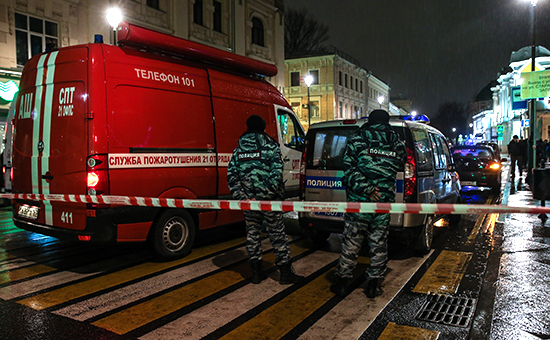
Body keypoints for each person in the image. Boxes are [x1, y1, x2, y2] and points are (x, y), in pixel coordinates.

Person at [330, 109, 406, 298]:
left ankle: (342, 282)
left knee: (352, 241)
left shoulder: (357, 139)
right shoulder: (396, 142)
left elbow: (348, 169)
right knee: (379, 242)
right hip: (383, 201)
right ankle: (373, 285)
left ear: (370, 121)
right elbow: (399, 165)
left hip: (360, 201)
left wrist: (367, 189)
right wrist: (379, 187)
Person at [227, 115, 302, 285]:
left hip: (249, 203)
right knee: (277, 234)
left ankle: (256, 273)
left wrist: (244, 198)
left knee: (252, 234)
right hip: (269, 201)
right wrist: (263, 196)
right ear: (263, 128)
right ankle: (285, 273)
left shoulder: (238, 150)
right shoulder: (270, 147)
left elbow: (232, 176)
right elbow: (276, 174)